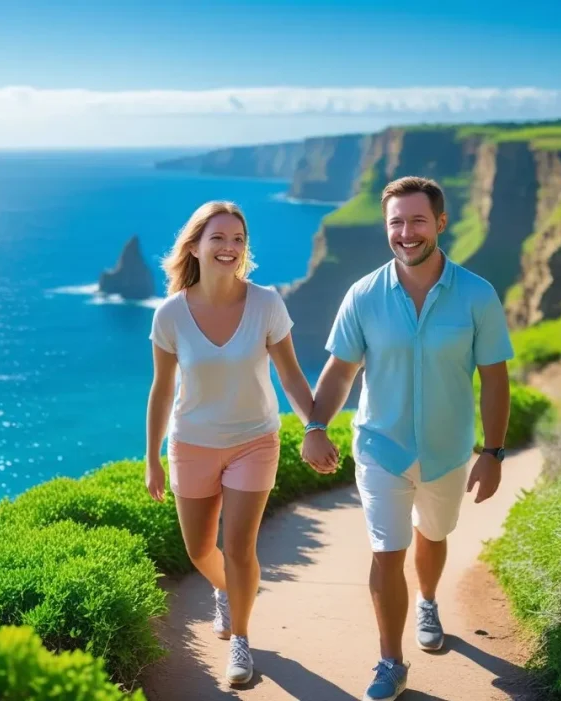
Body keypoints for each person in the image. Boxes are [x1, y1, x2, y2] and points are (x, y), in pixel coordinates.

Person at [300, 176, 514, 701]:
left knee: (433, 535)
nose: (406, 232)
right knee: (386, 552)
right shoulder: (363, 295)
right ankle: (390, 662)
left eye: (417, 220)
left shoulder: (477, 295)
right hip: (381, 448)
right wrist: (314, 426)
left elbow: (495, 378)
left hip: (447, 451)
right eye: (396, 222)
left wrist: (492, 452)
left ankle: (428, 601)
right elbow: (340, 371)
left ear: (440, 223)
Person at [144, 200, 326, 686]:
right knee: (200, 550)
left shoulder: (266, 303)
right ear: (195, 247)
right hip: (191, 444)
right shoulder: (170, 315)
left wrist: (315, 426)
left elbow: (291, 375)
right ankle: (227, 590)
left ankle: (241, 640)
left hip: (254, 441)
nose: (230, 247)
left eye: (238, 239)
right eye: (218, 238)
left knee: (240, 547)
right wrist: (152, 458)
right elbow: (161, 390)